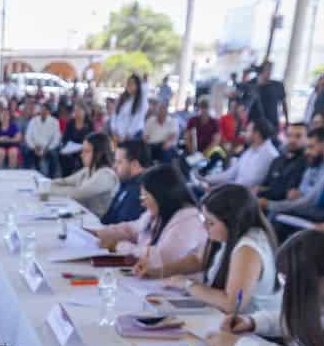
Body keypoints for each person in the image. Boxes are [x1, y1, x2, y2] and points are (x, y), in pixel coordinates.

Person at [174, 184, 279, 314]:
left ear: (233, 222)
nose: (204, 227)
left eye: (211, 222)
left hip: (248, 330)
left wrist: (188, 284)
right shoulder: (231, 235)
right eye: (204, 220)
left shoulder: (248, 249)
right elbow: (199, 260)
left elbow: (232, 304)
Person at [96, 164, 206, 278]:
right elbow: (130, 229)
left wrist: (118, 246)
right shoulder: (160, 212)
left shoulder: (188, 221)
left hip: (177, 290)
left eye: (145, 197)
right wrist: (98, 233)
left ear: (161, 196)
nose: (142, 203)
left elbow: (160, 258)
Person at [265, 126, 324, 222]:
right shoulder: (315, 161)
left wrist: (270, 204)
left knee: (276, 212)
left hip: (320, 214)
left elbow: (311, 201)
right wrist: (297, 194)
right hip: (306, 208)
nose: (306, 152)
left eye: (311, 147)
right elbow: (301, 191)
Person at [48, 132, 119, 218]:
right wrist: (46, 184)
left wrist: (47, 189)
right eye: (82, 151)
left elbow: (78, 193)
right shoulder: (88, 170)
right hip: (82, 216)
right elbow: (65, 181)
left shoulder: (106, 175)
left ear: (99, 154)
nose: (82, 155)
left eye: (87, 151)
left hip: (96, 222)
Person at [256, 123, 311, 206]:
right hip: (263, 202)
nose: (292, 140)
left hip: (284, 207)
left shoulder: (308, 163)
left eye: (298, 136)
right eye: (289, 135)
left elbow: (289, 193)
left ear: (308, 139)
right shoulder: (277, 160)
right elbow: (265, 185)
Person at [100, 139, 149, 225]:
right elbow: (109, 216)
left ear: (135, 165)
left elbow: (122, 226)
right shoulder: (126, 182)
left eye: (119, 162)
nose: (114, 166)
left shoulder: (139, 192)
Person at [248, 60, 287, 137]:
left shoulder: (277, 85)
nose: (269, 72)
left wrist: (287, 120)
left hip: (272, 123)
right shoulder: (252, 84)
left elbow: (283, 103)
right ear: (261, 70)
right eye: (266, 69)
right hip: (255, 123)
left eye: (270, 69)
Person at [24, 100, 62, 176]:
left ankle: (51, 178)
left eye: (45, 110)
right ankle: (27, 175)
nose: (43, 111)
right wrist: (34, 146)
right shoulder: (33, 120)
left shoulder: (55, 122)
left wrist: (47, 148)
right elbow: (28, 136)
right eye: (42, 109)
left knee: (53, 155)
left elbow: (56, 139)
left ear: (49, 111)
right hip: (35, 147)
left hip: (48, 148)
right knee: (27, 152)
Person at [110, 73, 149, 142]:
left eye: (132, 83)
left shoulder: (141, 102)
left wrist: (126, 137)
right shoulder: (121, 98)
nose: (129, 85)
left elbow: (136, 121)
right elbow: (114, 115)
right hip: (117, 136)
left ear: (138, 86)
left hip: (132, 138)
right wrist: (114, 131)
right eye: (128, 83)